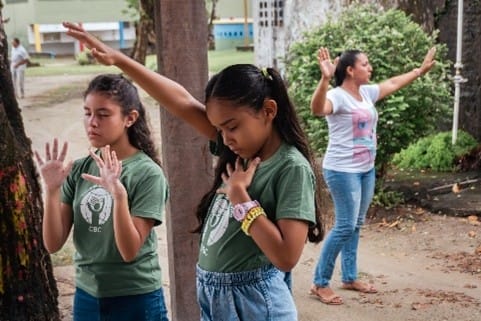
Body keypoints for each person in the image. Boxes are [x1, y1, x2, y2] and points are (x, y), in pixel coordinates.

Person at [62, 21, 325, 321]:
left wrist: (241, 200)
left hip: (254, 303)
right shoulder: (239, 150)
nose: (224, 138)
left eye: (232, 127)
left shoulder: (290, 166)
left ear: (268, 111)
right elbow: (181, 101)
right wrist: (119, 59)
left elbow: (287, 256)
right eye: (218, 129)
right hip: (216, 298)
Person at [34, 74, 170, 321]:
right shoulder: (79, 169)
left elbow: (129, 251)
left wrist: (119, 196)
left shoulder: (147, 173)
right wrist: (52, 191)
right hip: (87, 294)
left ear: (130, 118)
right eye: (87, 113)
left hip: (135, 297)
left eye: (103, 114)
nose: (92, 123)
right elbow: (52, 244)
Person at [309, 47, 436, 305]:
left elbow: (392, 83)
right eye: (365, 64)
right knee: (345, 225)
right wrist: (324, 79)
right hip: (342, 170)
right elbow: (317, 109)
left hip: (365, 169)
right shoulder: (337, 96)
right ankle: (320, 283)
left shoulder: (365, 93)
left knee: (356, 224)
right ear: (350, 70)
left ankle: (349, 276)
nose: (370, 68)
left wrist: (419, 71)